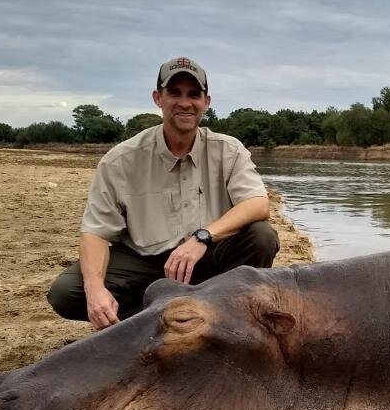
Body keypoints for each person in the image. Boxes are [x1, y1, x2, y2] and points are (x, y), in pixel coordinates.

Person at [48, 56, 279, 330]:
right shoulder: (120, 160)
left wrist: (202, 237)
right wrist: (96, 289)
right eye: (174, 93)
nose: (184, 102)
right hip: (144, 261)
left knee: (262, 237)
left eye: (194, 94)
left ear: (206, 102)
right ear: (158, 98)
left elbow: (257, 203)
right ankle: (156, 321)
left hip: (206, 256)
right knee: (67, 292)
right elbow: (96, 232)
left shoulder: (229, 150)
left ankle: (225, 317)